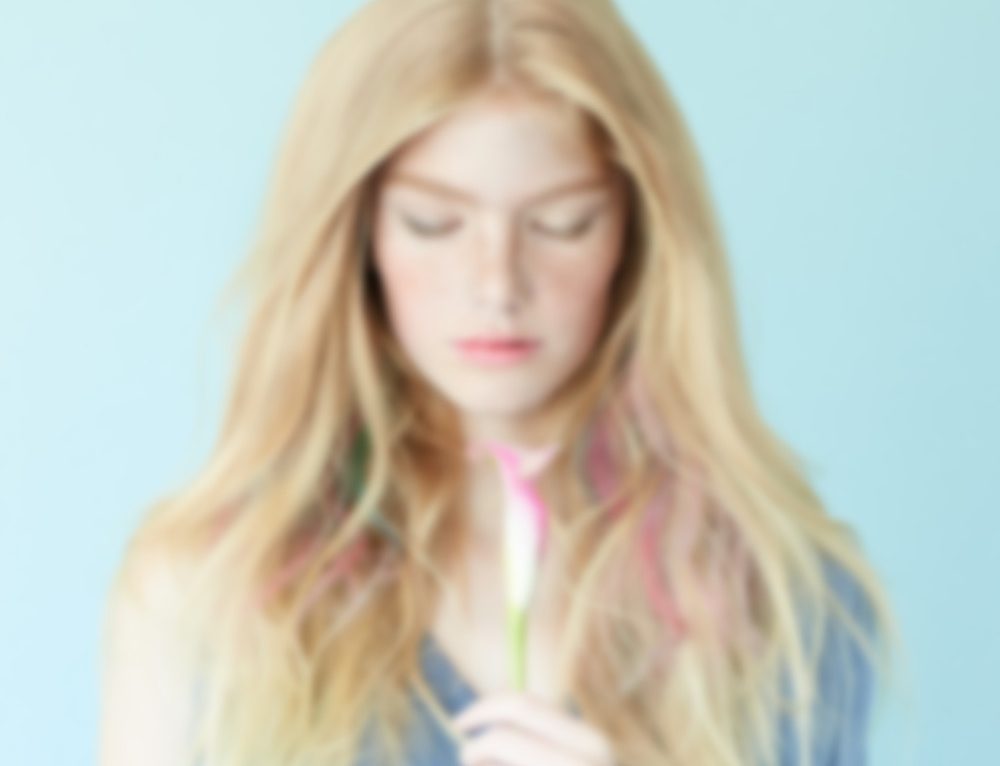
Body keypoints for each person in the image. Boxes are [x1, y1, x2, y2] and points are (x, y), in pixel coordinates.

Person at [99, 1, 900, 764]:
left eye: (562, 223)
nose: (496, 286)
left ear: (635, 233)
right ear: (359, 234)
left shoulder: (793, 608)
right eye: (432, 223)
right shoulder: (200, 593)